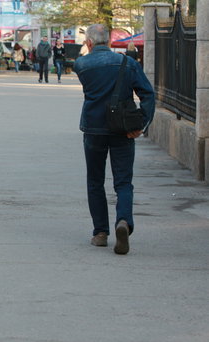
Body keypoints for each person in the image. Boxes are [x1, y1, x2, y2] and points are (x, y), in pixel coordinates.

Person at [73, 24, 155, 255]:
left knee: (95, 181)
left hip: (93, 129)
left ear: (88, 43)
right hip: (123, 129)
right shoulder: (128, 64)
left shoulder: (81, 65)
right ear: (109, 41)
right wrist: (141, 124)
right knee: (123, 182)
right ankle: (123, 222)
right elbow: (147, 93)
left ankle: (100, 233)